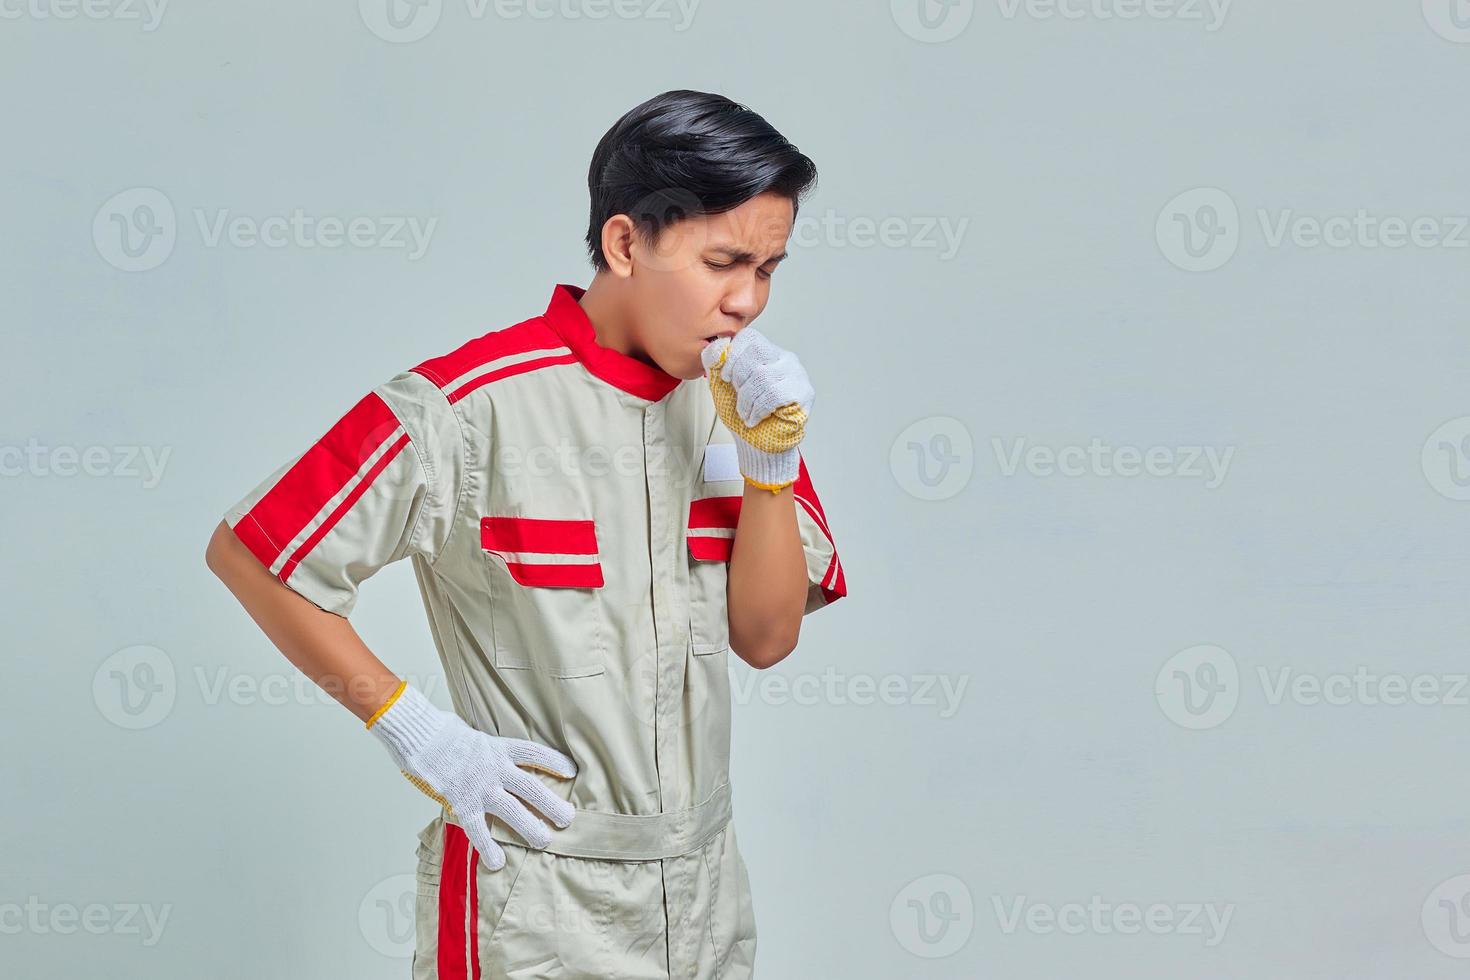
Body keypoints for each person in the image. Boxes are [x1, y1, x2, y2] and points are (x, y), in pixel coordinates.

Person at [205, 88, 846, 979]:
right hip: (532, 899)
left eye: (769, 268)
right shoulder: (467, 406)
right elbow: (253, 553)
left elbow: (768, 638)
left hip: (704, 891)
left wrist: (771, 467)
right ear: (626, 243)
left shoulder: (742, 407)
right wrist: (417, 732)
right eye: (723, 262)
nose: (747, 302)